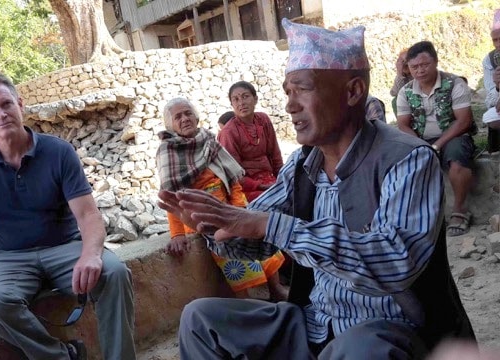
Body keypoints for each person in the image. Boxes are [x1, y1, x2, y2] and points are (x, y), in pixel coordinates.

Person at [159, 19, 474, 359]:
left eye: (302, 89)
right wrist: (215, 226)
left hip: (387, 331)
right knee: (200, 319)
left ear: (352, 92)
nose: (290, 106)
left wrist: (270, 224)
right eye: (288, 92)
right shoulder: (302, 165)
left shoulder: (408, 159)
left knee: (358, 349)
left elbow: (396, 262)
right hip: (314, 324)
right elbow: (256, 238)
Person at [0, 71, 135, 360]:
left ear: (20, 105)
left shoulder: (58, 151)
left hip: (66, 248)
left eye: (6, 104)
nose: (0, 114)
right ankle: (62, 356)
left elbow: (88, 214)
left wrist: (91, 254)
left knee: (114, 273)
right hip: (8, 258)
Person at [156, 97, 288, 301]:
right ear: (170, 125)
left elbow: (233, 182)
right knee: (229, 245)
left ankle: (276, 289)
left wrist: (240, 210)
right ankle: (246, 301)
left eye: (188, 113)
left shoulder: (209, 142)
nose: (185, 119)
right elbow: (172, 198)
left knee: (259, 232)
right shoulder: (167, 152)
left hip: (227, 207)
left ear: (196, 117)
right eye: (178, 116)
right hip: (200, 217)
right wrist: (177, 234)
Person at [396, 41, 476, 237]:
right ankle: (414, 217)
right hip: (420, 139)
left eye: (425, 65)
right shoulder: (405, 92)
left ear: (436, 62)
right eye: (414, 67)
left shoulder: (454, 83)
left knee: (457, 159)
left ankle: (459, 211)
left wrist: (437, 145)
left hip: (453, 135)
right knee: (402, 163)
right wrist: (420, 146)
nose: (420, 70)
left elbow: (464, 121)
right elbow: (403, 125)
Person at [217, 81, 283, 202]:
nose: (241, 103)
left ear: (255, 99)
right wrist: (262, 186)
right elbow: (233, 174)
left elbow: (275, 154)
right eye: (236, 99)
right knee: (275, 200)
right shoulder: (228, 132)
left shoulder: (263, 119)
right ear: (232, 104)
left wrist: (282, 179)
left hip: (269, 179)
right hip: (245, 187)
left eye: (245, 96)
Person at [481, 9, 500, 152]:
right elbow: (490, 100)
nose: (498, 44)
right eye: (495, 40)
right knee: (490, 117)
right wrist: (498, 86)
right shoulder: (490, 60)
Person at [390, 48, 414, 116]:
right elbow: (394, 92)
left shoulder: (416, 74)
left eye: (405, 61)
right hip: (408, 101)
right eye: (401, 61)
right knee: (395, 101)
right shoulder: (403, 76)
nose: (403, 65)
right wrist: (399, 74)